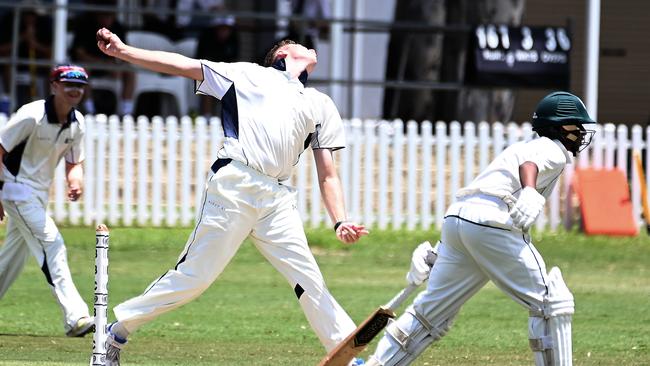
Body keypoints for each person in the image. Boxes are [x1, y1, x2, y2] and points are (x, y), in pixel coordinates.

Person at [95, 28, 369, 365]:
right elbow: (182, 65)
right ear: (282, 55)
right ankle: (116, 331)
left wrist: (340, 220)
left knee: (308, 278)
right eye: (296, 43)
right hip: (235, 183)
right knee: (195, 278)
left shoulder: (320, 103)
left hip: (277, 198)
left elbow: (328, 173)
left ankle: (348, 354)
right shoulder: (247, 75)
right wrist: (124, 52)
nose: (307, 45)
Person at [365, 91, 597, 366]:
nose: (581, 133)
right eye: (576, 126)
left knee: (429, 315)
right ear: (558, 126)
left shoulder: (521, 146)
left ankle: (375, 364)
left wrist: (439, 252)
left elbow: (479, 196)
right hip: (492, 223)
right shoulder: (552, 149)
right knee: (552, 303)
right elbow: (529, 166)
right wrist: (531, 191)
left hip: (459, 220)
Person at [0, 64, 94, 337]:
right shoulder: (31, 115)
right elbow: (1, 149)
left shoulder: (77, 123)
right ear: (54, 86)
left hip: (38, 195)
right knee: (51, 243)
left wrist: (75, 180)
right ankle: (76, 316)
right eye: (68, 85)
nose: (74, 90)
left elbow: (73, 162)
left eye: (79, 86)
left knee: (11, 261)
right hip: (15, 189)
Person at [71, 0, 135, 115]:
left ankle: (126, 112)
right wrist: (101, 62)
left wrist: (116, 64)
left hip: (110, 65)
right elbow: (79, 53)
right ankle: (89, 110)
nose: (106, 19)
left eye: (109, 16)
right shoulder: (85, 25)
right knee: (84, 71)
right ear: (97, 15)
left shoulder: (118, 27)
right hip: (90, 64)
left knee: (129, 70)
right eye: (103, 15)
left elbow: (124, 52)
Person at [195, 15, 239, 116]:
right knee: (208, 83)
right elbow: (199, 58)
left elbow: (233, 59)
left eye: (227, 29)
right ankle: (207, 116)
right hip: (207, 70)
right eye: (221, 28)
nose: (224, 32)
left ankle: (228, 117)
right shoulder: (206, 38)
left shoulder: (233, 39)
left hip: (226, 72)